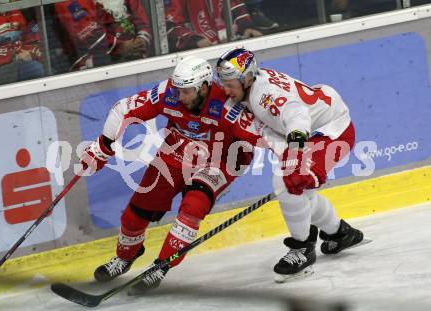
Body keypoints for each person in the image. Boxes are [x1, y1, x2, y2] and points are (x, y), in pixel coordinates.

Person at [79, 56, 263, 293]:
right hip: (175, 155)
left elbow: (263, 134)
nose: (180, 96)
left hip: (219, 161)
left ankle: (161, 265)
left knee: (193, 206)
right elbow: (123, 109)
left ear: (204, 87)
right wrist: (103, 146)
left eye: (187, 92)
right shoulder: (169, 93)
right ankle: (126, 257)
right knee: (135, 214)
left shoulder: (228, 107)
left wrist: (296, 156)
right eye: (178, 90)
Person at [215, 48, 365, 282]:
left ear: (246, 78)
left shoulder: (264, 95)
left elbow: (297, 115)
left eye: (230, 84)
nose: (226, 90)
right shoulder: (251, 87)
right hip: (317, 128)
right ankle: (340, 233)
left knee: (286, 181)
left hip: (333, 131)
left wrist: (295, 154)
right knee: (297, 190)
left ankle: (303, 249)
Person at [54, 0, 151, 71]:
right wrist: (122, 47)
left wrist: (141, 40)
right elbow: (89, 35)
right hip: (95, 71)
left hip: (134, 57)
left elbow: (141, 18)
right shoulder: (65, 3)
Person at [164, 0, 262, 52]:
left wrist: (246, 27)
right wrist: (193, 40)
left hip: (229, 50)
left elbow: (233, 4)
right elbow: (168, 25)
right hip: (196, 57)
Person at [0, 7, 44, 87]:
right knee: (34, 69)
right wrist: (14, 55)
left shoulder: (20, 7)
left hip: (22, 56)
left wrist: (30, 51)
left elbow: (32, 35)